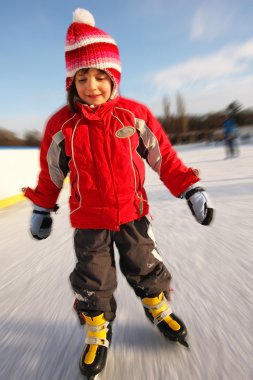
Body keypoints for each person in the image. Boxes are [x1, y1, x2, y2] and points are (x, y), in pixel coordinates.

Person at [23, 8, 214, 379]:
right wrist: (42, 208)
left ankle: (158, 307)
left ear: (115, 77)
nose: (91, 85)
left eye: (100, 76)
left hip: (133, 213)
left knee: (145, 266)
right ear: (71, 81)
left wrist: (190, 188)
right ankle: (97, 331)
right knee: (92, 279)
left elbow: (165, 158)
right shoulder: (61, 126)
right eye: (82, 77)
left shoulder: (134, 115)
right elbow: (51, 174)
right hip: (89, 220)